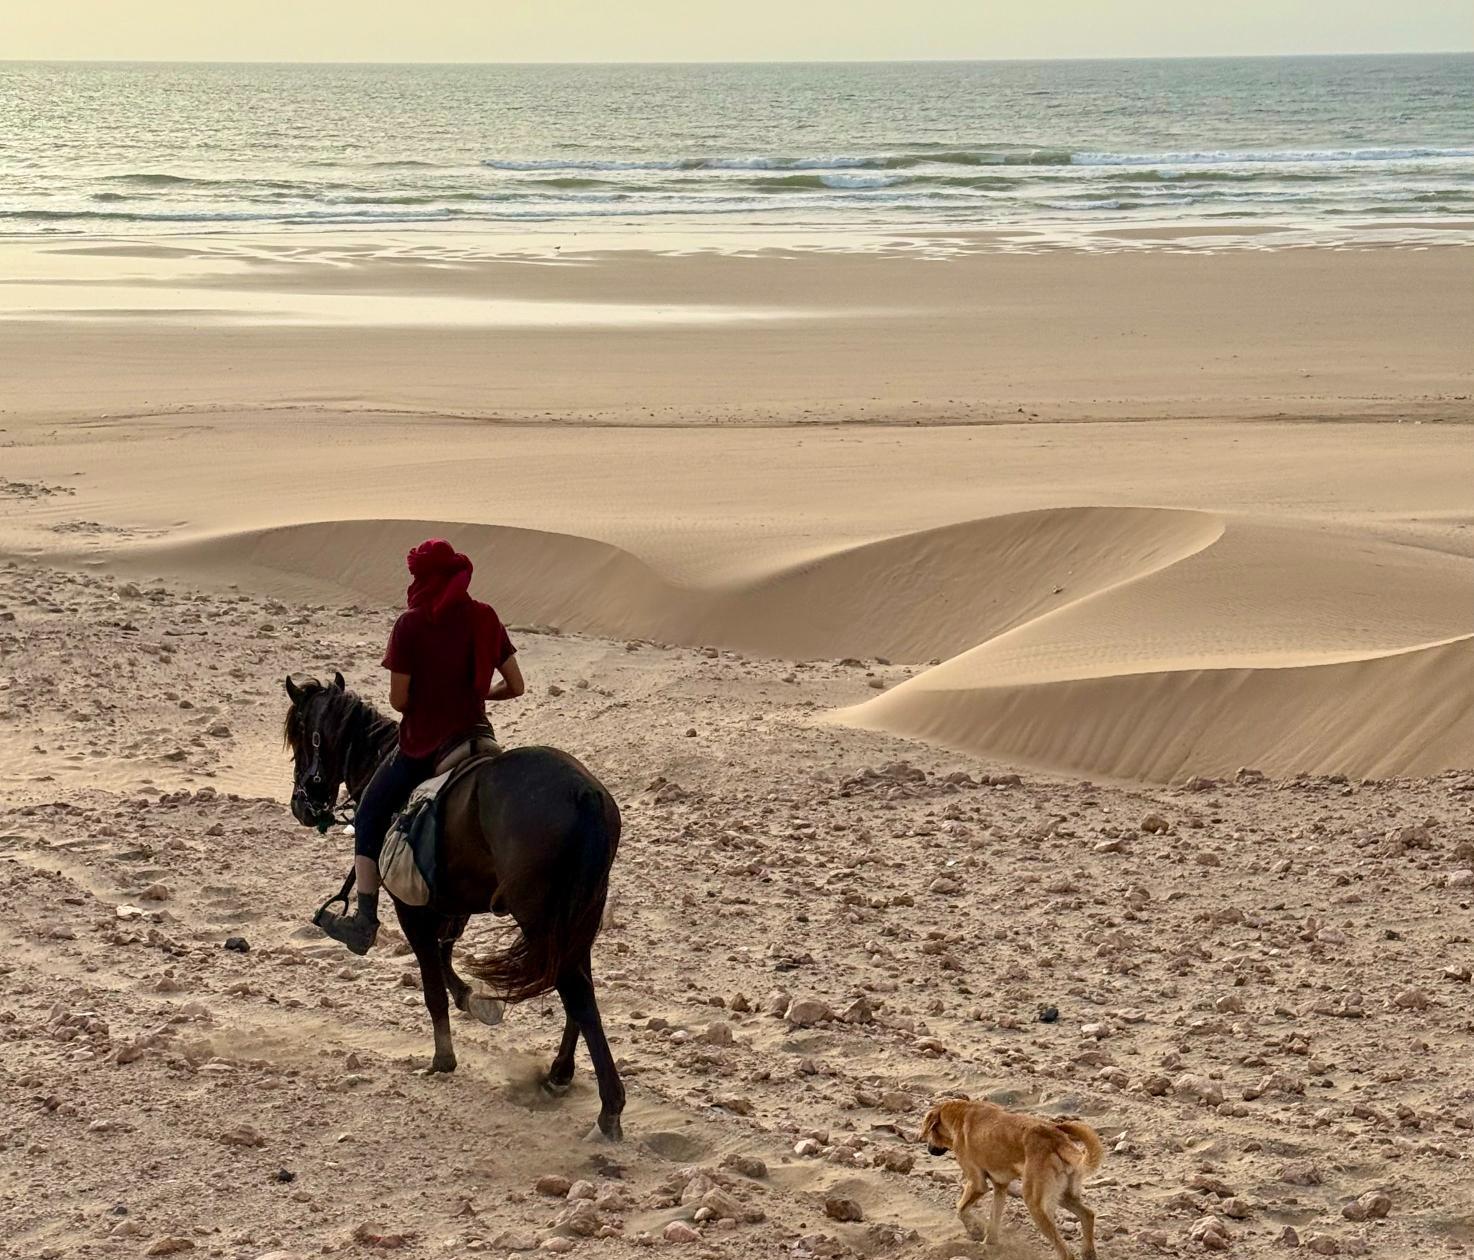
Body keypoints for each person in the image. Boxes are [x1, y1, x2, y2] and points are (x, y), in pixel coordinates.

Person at [317, 538, 523, 955]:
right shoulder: (485, 616)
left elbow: (398, 701)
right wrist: (480, 695)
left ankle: (364, 920)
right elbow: (516, 686)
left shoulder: (410, 624)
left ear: (421, 578)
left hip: (425, 744)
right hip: (479, 738)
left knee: (371, 810)